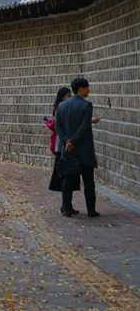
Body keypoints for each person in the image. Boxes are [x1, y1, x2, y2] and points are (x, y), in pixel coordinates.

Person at [56, 77, 102, 218]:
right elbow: (84, 127)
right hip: (84, 149)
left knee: (68, 179)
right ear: (81, 89)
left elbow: (59, 126)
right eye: (87, 88)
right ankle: (91, 210)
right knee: (88, 181)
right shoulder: (86, 105)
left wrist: (66, 142)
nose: (89, 90)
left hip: (68, 149)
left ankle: (67, 208)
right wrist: (74, 141)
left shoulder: (62, 106)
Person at [47, 87, 75, 212]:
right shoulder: (61, 109)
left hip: (64, 144)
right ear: (62, 97)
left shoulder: (61, 108)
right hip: (63, 145)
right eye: (68, 96)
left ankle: (67, 205)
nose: (70, 98)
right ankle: (65, 205)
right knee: (66, 175)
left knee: (68, 175)